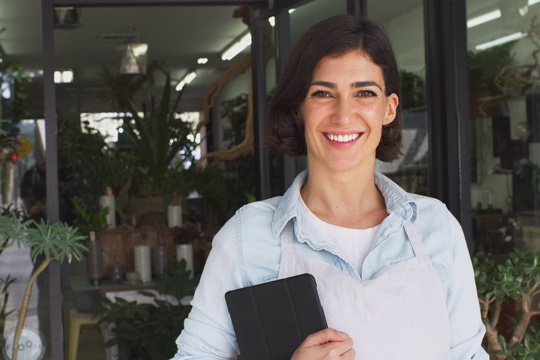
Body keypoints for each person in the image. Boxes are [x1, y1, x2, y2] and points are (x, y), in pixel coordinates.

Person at [172, 15, 488, 360]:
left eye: (364, 93)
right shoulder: (247, 238)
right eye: (323, 93)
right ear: (298, 108)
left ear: (389, 109)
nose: (343, 114)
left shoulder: (435, 227)